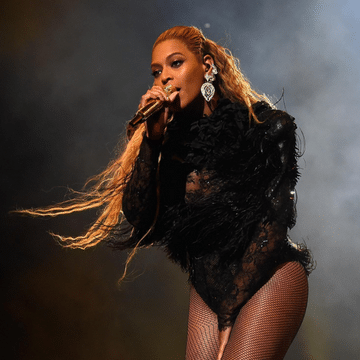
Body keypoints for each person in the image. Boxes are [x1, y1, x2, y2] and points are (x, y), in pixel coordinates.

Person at [19, 26, 313, 359]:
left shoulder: (264, 129)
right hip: (208, 287)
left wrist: (230, 315)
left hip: (267, 273)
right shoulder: (171, 147)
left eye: (175, 64)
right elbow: (141, 218)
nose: (164, 79)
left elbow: (272, 227)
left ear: (207, 66)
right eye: (157, 72)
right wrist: (153, 140)